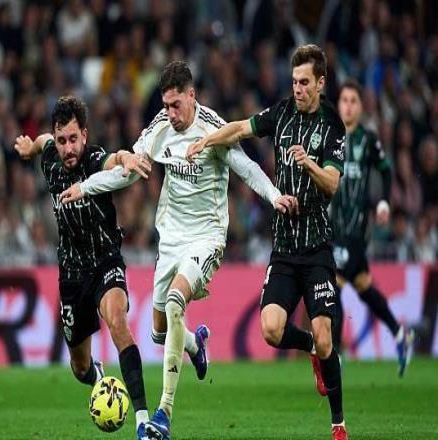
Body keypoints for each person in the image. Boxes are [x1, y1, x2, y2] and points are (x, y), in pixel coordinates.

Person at [60, 60, 297, 440]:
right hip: (170, 239)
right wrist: (85, 187)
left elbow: (246, 166)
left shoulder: (213, 128)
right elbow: (126, 171)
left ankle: (163, 414)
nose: (170, 113)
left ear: (191, 96)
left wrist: (274, 196)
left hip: (206, 237)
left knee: (175, 303)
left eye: (175, 105)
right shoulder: (159, 128)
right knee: (159, 331)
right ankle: (194, 343)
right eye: (165, 105)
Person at [186, 44, 349, 440]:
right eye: (294, 82)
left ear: (321, 83)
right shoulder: (282, 113)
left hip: (316, 248)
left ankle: (338, 424)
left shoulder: (332, 124)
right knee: (272, 330)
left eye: (305, 82)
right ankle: (311, 348)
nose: (298, 89)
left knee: (327, 336)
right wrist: (208, 140)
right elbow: (241, 128)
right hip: (285, 249)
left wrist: (308, 162)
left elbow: (332, 184)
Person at [13, 96, 151, 440]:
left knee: (118, 322)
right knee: (80, 368)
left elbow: (113, 159)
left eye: (73, 139)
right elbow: (43, 141)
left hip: (105, 260)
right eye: (62, 140)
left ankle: (144, 421)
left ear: (84, 135)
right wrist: (32, 148)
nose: (68, 147)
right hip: (72, 275)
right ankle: (98, 376)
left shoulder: (92, 159)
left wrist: (127, 158)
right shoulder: (50, 157)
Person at [331, 79, 415, 375]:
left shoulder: (367, 140)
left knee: (333, 284)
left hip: (356, 232)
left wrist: (383, 203)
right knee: (363, 286)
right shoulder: (330, 137)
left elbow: (386, 170)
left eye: (353, 101)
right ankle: (399, 333)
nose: (348, 106)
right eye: (344, 100)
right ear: (338, 104)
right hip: (334, 229)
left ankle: (335, 356)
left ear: (360, 107)